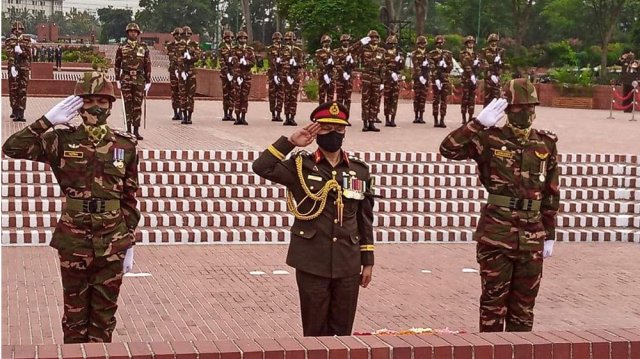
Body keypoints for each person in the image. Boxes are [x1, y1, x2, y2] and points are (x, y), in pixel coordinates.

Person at [2, 71, 140, 343]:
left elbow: (129, 198)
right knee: (74, 317)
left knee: (104, 318)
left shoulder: (125, 145)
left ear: (111, 106)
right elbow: (12, 148)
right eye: (89, 101)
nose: (96, 107)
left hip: (113, 240)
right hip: (74, 239)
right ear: (78, 105)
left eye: (103, 101)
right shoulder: (60, 140)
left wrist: (129, 242)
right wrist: (47, 121)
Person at [440, 78, 559, 332]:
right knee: (493, 306)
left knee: (524, 309)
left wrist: (549, 234)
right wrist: (477, 124)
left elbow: (551, 193)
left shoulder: (545, 144)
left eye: (530, 108)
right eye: (519, 109)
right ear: (506, 109)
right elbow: (448, 149)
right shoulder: (489, 139)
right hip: (497, 235)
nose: (525, 114)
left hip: (532, 235)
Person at [252, 101, 375, 336]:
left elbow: (364, 216)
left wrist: (367, 259)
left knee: (343, 333)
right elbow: (261, 167)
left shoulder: (359, 170)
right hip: (312, 261)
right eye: (327, 129)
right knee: (315, 332)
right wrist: (289, 143)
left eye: (339, 130)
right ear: (316, 131)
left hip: (348, 262)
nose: (334, 134)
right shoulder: (301, 166)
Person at [114, 22, 151, 139]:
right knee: (127, 104)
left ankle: (136, 129)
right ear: (127, 33)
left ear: (138, 33)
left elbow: (147, 64)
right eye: (131, 31)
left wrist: (148, 80)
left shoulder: (143, 47)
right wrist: (117, 79)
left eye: (135, 32)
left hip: (139, 79)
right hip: (126, 78)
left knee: (137, 105)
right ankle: (128, 129)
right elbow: (117, 64)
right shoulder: (122, 47)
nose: (133, 33)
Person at [353, 30, 385, 132]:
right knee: (365, 100)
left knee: (375, 101)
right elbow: (351, 51)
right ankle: (365, 123)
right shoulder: (364, 49)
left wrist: (382, 81)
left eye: (376, 37)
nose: (374, 39)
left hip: (376, 77)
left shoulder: (381, 50)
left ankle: (372, 122)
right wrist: (361, 42)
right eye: (372, 37)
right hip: (366, 77)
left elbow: (383, 66)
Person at [6, 21, 33, 122]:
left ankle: (21, 113)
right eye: (15, 29)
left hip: (24, 68)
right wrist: (12, 66)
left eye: (20, 29)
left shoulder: (27, 41)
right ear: (12, 30)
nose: (18, 31)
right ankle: (15, 110)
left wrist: (21, 52)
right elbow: (9, 55)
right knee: (13, 90)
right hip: (14, 68)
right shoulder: (9, 41)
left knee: (23, 90)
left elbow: (29, 55)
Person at [177, 26, 202, 125]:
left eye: (188, 34)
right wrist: (182, 68)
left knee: (191, 95)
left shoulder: (194, 44)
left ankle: (190, 115)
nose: (186, 36)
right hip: (182, 71)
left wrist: (190, 58)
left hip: (191, 72)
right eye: (184, 34)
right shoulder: (178, 45)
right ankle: (184, 115)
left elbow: (197, 57)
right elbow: (177, 58)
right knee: (183, 94)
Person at [281, 31, 305, 126]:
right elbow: (278, 62)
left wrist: (297, 64)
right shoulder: (282, 50)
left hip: (295, 75)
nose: (288, 42)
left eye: (290, 40)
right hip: (286, 76)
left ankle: (292, 117)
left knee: (293, 97)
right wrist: (287, 64)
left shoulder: (298, 50)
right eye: (286, 40)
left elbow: (303, 63)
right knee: (287, 97)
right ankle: (286, 117)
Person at [429, 35, 453, 128]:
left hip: (445, 79)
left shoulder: (448, 54)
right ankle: (435, 119)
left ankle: (442, 119)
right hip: (436, 80)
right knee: (436, 100)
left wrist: (445, 66)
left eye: (441, 43)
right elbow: (432, 66)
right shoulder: (432, 54)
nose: (440, 44)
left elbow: (451, 67)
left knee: (444, 100)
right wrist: (436, 78)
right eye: (438, 43)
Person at [232, 30, 255, 125]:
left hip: (247, 76)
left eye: (244, 38)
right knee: (237, 96)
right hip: (238, 76)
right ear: (238, 40)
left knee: (245, 97)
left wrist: (247, 63)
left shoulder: (250, 50)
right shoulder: (234, 50)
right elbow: (233, 62)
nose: (243, 40)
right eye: (241, 38)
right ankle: (237, 116)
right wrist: (237, 73)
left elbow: (253, 62)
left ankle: (243, 116)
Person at [382, 35, 404, 127]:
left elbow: (401, 67)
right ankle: (387, 119)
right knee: (387, 99)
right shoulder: (384, 54)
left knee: (394, 100)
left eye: (394, 44)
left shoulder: (399, 53)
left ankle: (393, 119)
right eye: (390, 44)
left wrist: (400, 61)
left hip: (395, 80)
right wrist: (390, 72)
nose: (392, 45)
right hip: (388, 79)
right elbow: (383, 66)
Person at [459, 35, 480, 124]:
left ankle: (470, 116)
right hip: (466, 78)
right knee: (465, 98)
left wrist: (477, 65)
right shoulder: (463, 53)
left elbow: (480, 66)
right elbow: (465, 65)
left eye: (472, 43)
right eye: (469, 43)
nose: (471, 44)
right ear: (466, 44)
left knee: (472, 99)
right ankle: (463, 117)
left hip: (474, 78)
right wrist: (471, 74)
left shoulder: (476, 55)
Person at [333, 34, 356, 112]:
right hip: (340, 77)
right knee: (339, 98)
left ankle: (346, 116)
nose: (346, 42)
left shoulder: (352, 52)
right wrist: (343, 72)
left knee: (347, 98)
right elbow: (336, 64)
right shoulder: (336, 51)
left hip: (349, 78)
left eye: (347, 40)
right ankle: (339, 115)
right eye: (344, 41)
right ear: (341, 42)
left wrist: (352, 62)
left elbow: (355, 65)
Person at [481, 33, 505, 106]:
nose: (494, 43)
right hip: (489, 78)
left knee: (496, 98)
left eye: (495, 41)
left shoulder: (501, 51)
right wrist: (491, 75)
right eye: (492, 41)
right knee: (487, 98)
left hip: (497, 77)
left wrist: (500, 62)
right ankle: (485, 116)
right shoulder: (485, 51)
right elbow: (484, 64)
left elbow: (504, 64)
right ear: (489, 42)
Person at [410, 36, 429, 124]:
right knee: (417, 97)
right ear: (418, 44)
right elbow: (416, 65)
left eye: (423, 43)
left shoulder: (428, 54)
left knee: (423, 97)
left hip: (426, 78)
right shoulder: (414, 53)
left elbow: (431, 65)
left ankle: (421, 116)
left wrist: (427, 65)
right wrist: (420, 75)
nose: (422, 45)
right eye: (420, 43)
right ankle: (416, 115)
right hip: (418, 78)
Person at [218, 30, 236, 121]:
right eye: (227, 37)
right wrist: (227, 72)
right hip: (225, 74)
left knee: (232, 93)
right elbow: (221, 62)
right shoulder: (222, 48)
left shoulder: (235, 48)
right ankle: (225, 113)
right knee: (226, 94)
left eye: (231, 37)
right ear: (224, 39)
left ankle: (231, 113)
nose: (229, 39)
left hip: (233, 73)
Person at [266, 32, 285, 122]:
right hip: (272, 74)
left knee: (280, 95)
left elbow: (286, 61)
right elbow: (270, 61)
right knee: (272, 95)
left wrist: (281, 62)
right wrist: (274, 74)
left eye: (278, 39)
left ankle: (279, 113)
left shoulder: (284, 49)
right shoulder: (270, 49)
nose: (277, 41)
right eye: (275, 39)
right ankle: (273, 113)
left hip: (282, 74)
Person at [166, 27, 183, 121]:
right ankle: (175, 112)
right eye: (176, 35)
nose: (178, 36)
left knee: (182, 92)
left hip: (182, 71)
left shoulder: (185, 46)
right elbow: (171, 57)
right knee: (174, 92)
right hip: (173, 71)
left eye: (180, 35)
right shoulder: (170, 45)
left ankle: (181, 111)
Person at [315, 35, 335, 105]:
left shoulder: (333, 52)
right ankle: (321, 113)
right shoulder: (319, 52)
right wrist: (325, 69)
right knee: (322, 95)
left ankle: (329, 113)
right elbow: (319, 63)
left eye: (328, 42)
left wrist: (333, 63)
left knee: (331, 96)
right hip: (323, 76)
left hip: (331, 76)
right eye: (325, 42)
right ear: (322, 43)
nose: (327, 43)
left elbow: (336, 63)